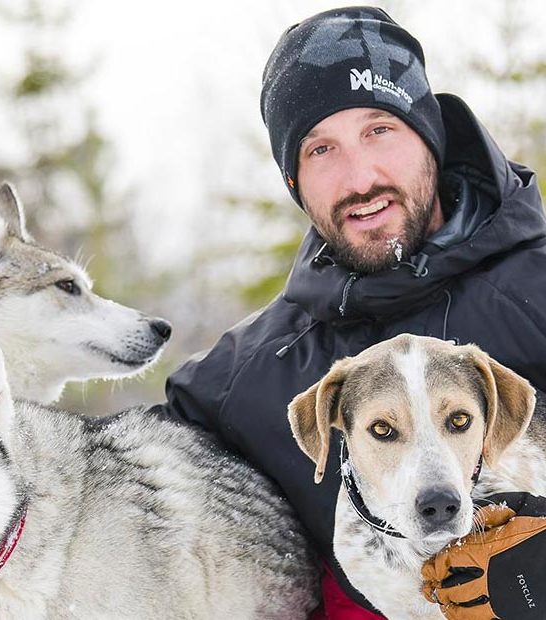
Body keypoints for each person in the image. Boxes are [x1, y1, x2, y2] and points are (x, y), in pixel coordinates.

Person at [156, 7, 546, 619]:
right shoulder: (246, 381)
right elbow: (109, 491)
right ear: (295, 181)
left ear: (430, 139)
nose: (359, 177)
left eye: (379, 130)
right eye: (321, 150)